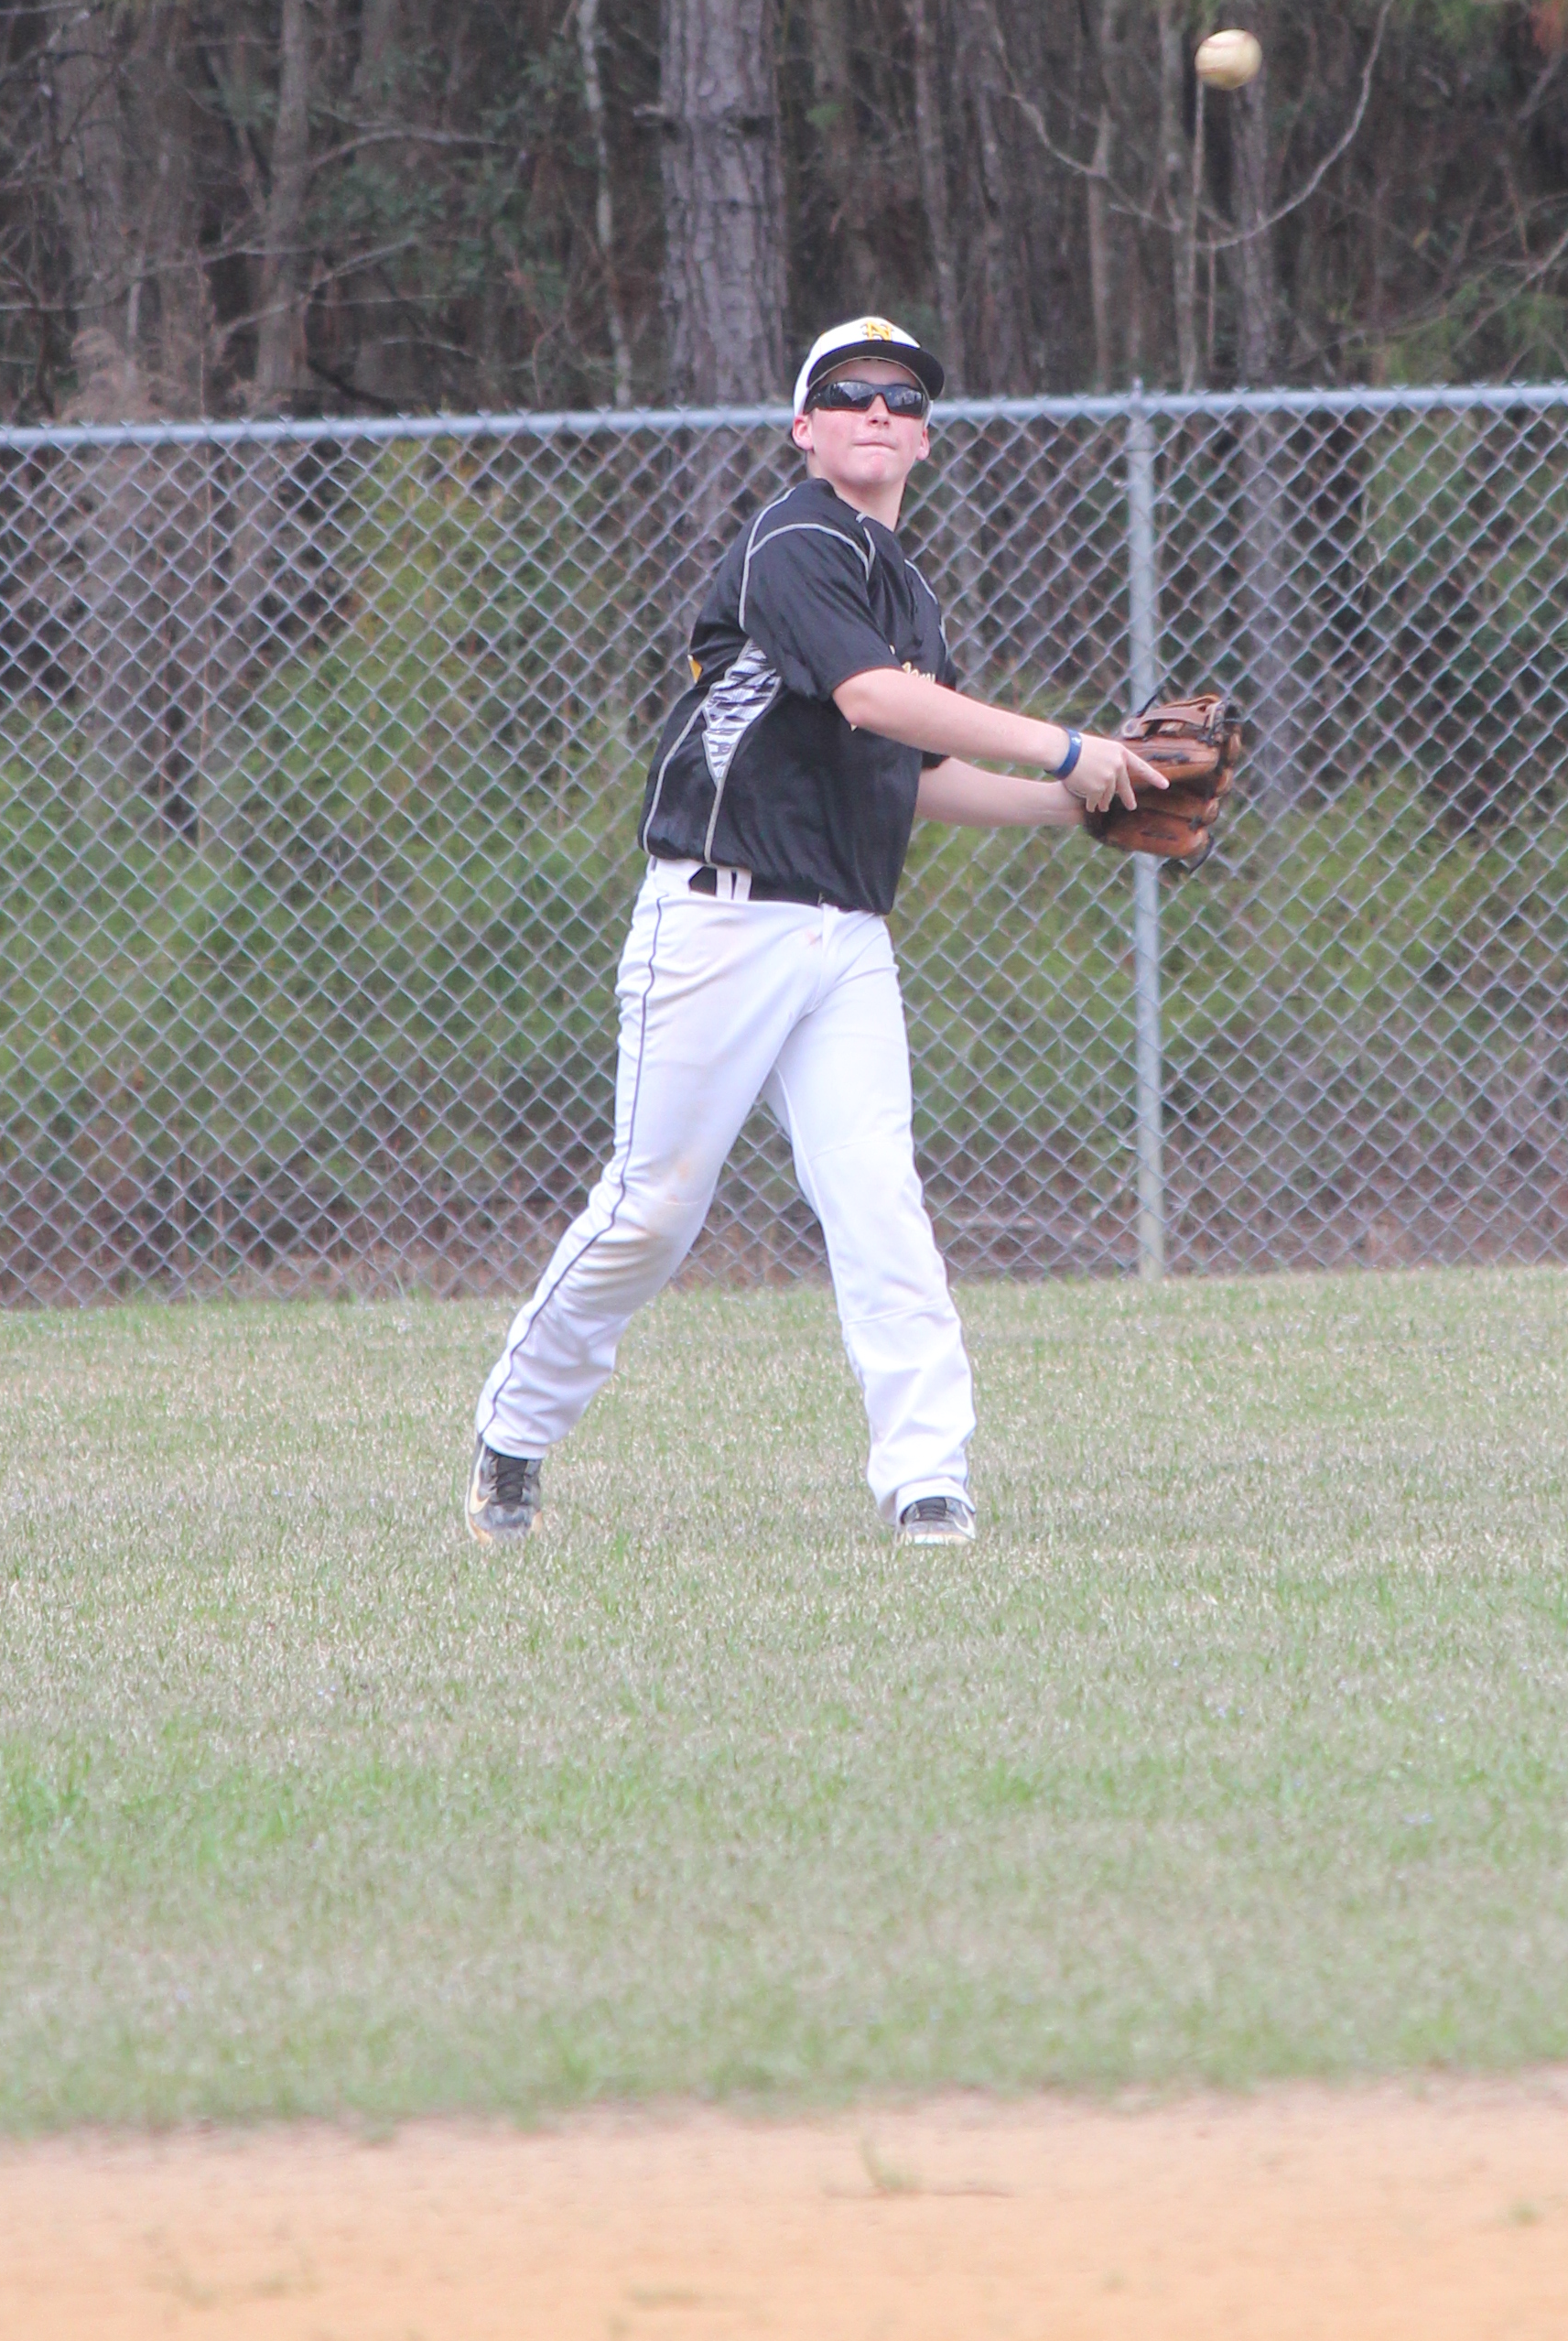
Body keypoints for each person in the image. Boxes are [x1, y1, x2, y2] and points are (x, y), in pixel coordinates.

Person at [463, 314, 1164, 1550]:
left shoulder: (907, 592)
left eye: (903, 397)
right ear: (805, 429)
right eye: (849, 394)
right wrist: (1066, 743)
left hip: (845, 941)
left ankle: (928, 1477)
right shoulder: (793, 542)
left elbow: (917, 767)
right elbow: (872, 698)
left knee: (876, 1197)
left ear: (928, 440)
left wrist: (1072, 804)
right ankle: (513, 1435)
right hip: (718, 922)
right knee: (650, 1210)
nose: (878, 411)